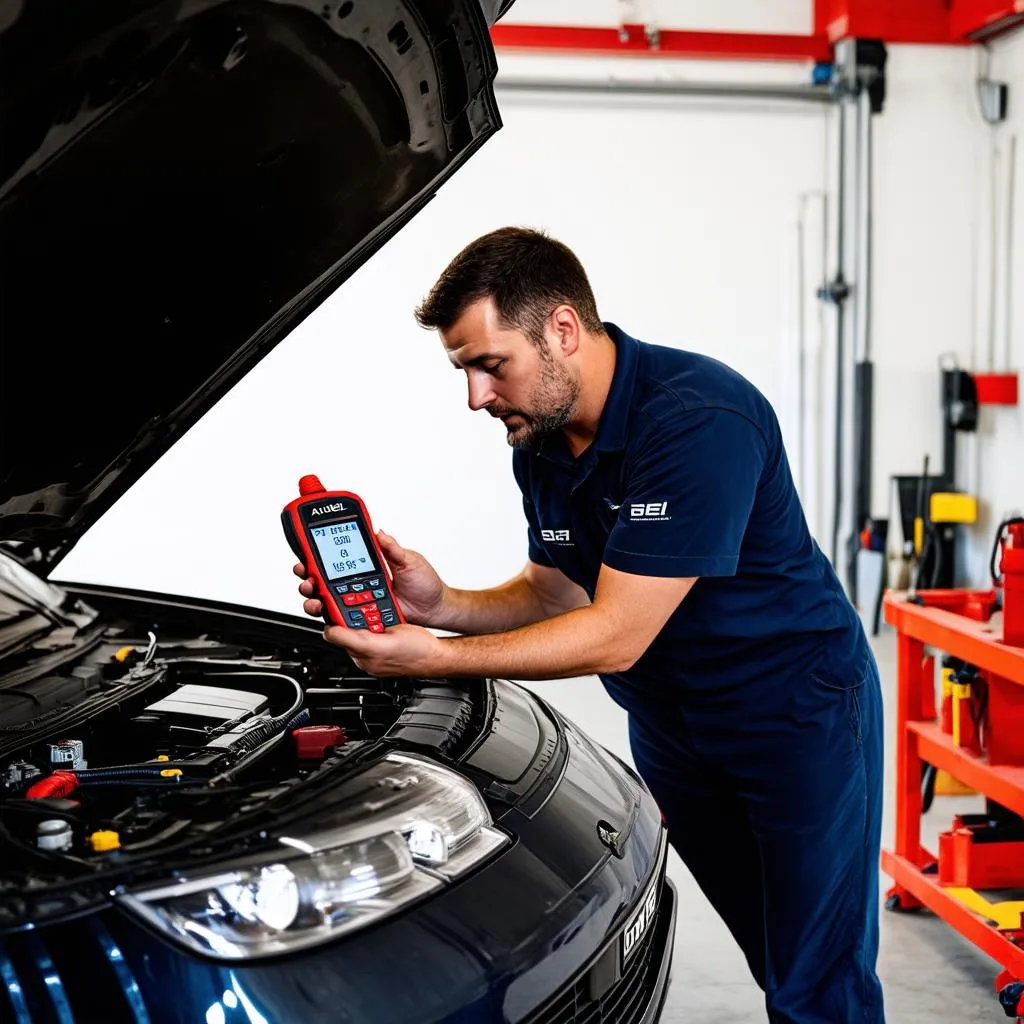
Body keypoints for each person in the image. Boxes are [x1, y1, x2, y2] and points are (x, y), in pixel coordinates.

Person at [293, 227, 885, 1023]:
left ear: (563, 330)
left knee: (818, 979)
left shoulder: (699, 419)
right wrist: (441, 605)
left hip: (793, 714)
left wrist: (432, 657)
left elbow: (615, 632)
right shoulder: (539, 443)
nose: (475, 396)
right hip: (674, 726)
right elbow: (556, 592)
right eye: (463, 370)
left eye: (489, 364)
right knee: (775, 954)